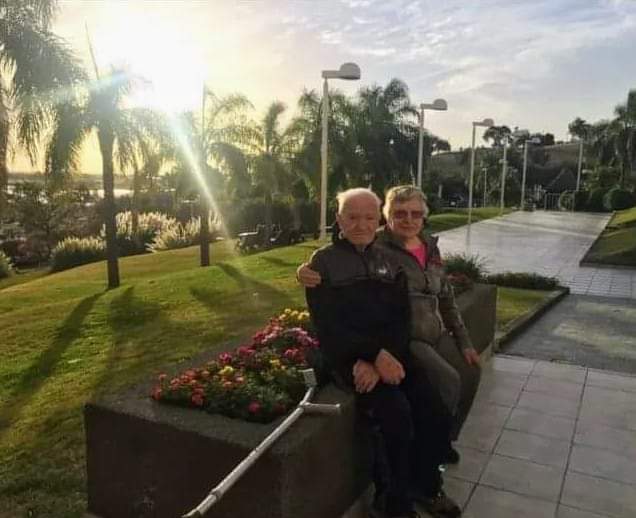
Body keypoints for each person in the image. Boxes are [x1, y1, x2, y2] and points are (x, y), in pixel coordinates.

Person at [305, 188, 461, 518]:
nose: (361, 224)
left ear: (378, 220)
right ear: (339, 220)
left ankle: (427, 485)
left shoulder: (389, 260)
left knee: (434, 411)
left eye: (368, 217)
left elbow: (401, 319)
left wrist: (385, 355)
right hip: (348, 358)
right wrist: (373, 356)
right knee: (396, 417)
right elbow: (329, 326)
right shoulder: (323, 263)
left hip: (391, 353)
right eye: (352, 217)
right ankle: (393, 501)